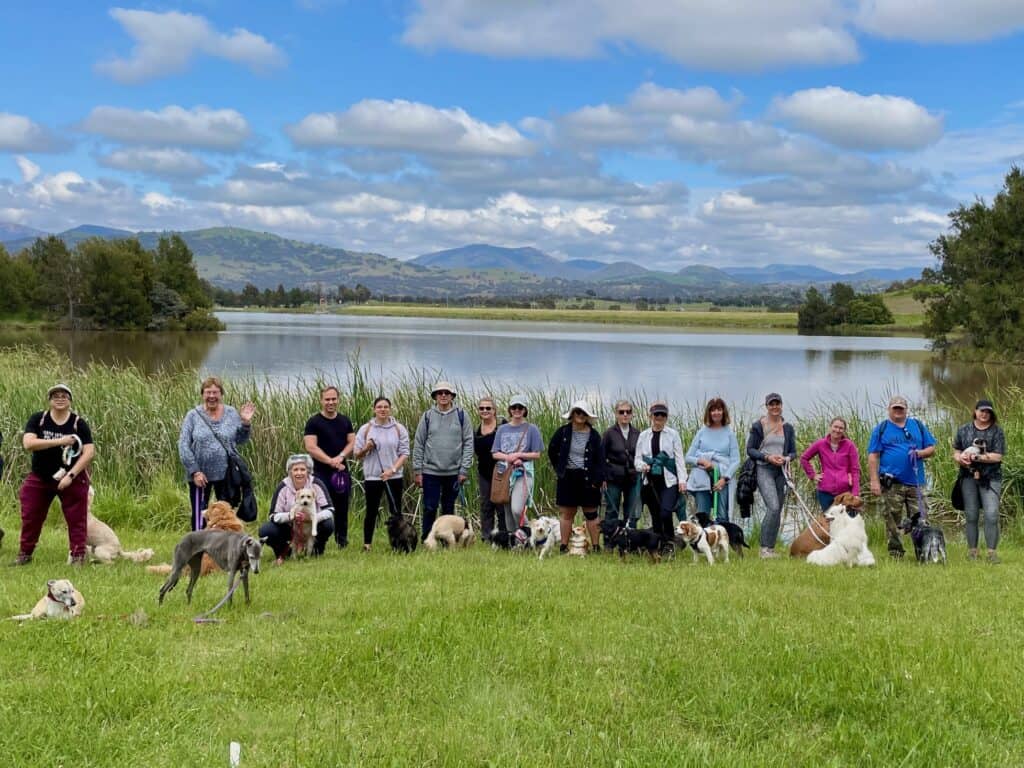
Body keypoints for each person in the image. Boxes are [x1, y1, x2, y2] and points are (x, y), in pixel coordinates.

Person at [14, 384, 95, 565]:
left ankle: (77, 557)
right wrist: (61, 441)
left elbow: (89, 452)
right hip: (41, 476)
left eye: (64, 396)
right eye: (55, 395)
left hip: (71, 477)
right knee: (30, 515)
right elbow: (28, 444)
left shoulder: (78, 423)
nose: (60, 398)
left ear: (70, 401)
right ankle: (24, 554)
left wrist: (71, 476)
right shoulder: (38, 419)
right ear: (49, 400)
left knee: (77, 519)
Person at [178, 376, 255, 531]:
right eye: (208, 392)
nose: (212, 396)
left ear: (221, 394)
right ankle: (199, 550)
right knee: (199, 515)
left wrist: (246, 423)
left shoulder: (232, 413)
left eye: (215, 392)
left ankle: (226, 549)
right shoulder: (193, 415)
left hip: (227, 475)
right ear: (202, 394)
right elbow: (183, 444)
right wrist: (195, 471)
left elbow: (240, 440)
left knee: (226, 515)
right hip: (200, 476)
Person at [867, 394, 936, 559]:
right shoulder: (881, 428)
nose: (898, 411)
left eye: (901, 408)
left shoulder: (917, 426)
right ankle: (896, 553)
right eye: (895, 408)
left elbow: (931, 448)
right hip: (892, 484)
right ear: (889, 410)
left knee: (921, 519)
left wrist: (919, 453)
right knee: (892, 520)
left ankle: (923, 552)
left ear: (906, 410)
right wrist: (874, 480)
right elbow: (873, 456)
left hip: (916, 483)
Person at [412, 381, 474, 542]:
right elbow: (419, 443)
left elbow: (468, 443)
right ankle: (427, 539)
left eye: (447, 393)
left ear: (452, 396)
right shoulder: (427, 416)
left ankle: (448, 541)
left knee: (448, 510)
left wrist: (464, 469)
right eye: (440, 393)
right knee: (430, 507)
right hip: (430, 471)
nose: (443, 396)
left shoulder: (462, 415)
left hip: (454, 472)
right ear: (435, 397)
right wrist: (417, 471)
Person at [354, 397, 410, 551]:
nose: (382, 409)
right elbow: (357, 455)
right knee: (371, 511)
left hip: (394, 476)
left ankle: (399, 544)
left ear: (390, 409)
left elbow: (404, 453)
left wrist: (392, 470)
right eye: (379, 407)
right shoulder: (365, 429)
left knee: (395, 511)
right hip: (373, 477)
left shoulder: (399, 429)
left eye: (386, 407)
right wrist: (367, 447)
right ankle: (367, 544)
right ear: (374, 409)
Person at [953, 399, 1006, 563]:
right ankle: (972, 553)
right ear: (975, 411)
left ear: (991, 414)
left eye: (988, 412)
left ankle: (992, 553)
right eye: (981, 411)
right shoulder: (964, 430)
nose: (984, 414)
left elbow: (998, 456)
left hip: (991, 478)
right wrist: (960, 459)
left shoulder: (997, 432)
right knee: (971, 515)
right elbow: (956, 451)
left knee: (991, 515)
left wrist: (977, 457)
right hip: (968, 477)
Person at [303, 385, 355, 549]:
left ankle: (342, 541)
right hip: (321, 473)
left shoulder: (345, 420)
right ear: (321, 400)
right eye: (327, 399)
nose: (330, 402)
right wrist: (330, 461)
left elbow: (352, 442)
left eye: (333, 399)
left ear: (338, 400)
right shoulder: (313, 422)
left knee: (342, 507)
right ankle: (318, 543)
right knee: (320, 508)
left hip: (341, 472)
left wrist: (340, 457)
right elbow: (310, 447)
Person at [746, 392, 797, 559]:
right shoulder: (758, 426)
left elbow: (793, 452)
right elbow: (750, 450)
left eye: (777, 404)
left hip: (781, 471)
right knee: (773, 507)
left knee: (778, 510)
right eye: (771, 404)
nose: (775, 407)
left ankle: (771, 548)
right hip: (764, 469)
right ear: (766, 406)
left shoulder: (788, 427)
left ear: (781, 405)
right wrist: (767, 457)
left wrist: (786, 458)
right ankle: (764, 548)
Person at [259, 454, 335, 564]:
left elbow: (330, 510)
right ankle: (283, 551)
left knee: (328, 524)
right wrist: (290, 516)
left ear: (308, 471)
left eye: (302, 469)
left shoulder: (316, 484)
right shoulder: (283, 486)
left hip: (311, 527)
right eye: (295, 469)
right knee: (266, 530)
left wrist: (311, 518)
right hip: (289, 528)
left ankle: (317, 549)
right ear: (290, 472)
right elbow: (273, 515)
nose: (299, 473)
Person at [635, 400, 687, 547]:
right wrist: (643, 466)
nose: (659, 417)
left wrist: (682, 480)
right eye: (656, 414)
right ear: (650, 416)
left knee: (665, 512)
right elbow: (637, 460)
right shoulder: (643, 436)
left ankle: (670, 540)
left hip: (669, 481)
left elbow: (679, 459)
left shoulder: (673, 435)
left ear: (666, 417)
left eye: (662, 415)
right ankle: (659, 545)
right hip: (650, 481)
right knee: (656, 516)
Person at [492, 395, 544, 532]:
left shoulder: (532, 429)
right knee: (507, 509)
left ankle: (530, 534)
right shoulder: (502, 429)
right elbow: (495, 453)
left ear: (524, 410)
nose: (517, 410)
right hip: (504, 473)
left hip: (524, 473)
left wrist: (520, 455)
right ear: (510, 410)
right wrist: (510, 458)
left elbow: (537, 454)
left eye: (520, 407)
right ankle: (514, 540)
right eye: (514, 407)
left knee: (517, 509)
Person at [685, 397, 740, 526]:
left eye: (719, 409)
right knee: (703, 515)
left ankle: (722, 541)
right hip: (702, 477)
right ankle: (703, 541)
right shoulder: (701, 432)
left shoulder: (730, 434)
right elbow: (688, 457)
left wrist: (724, 479)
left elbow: (736, 460)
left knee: (722, 515)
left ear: (723, 412)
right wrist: (703, 462)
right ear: (709, 413)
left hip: (722, 477)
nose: (716, 413)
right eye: (713, 410)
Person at [800, 417, 861, 510]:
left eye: (841, 428)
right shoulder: (820, 444)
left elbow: (855, 470)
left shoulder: (850, 446)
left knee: (847, 521)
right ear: (830, 427)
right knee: (829, 521)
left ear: (844, 430)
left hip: (845, 493)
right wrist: (813, 475)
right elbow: (804, 458)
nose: (837, 430)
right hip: (825, 492)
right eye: (835, 427)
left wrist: (855, 493)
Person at [601, 400, 640, 530]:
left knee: (631, 511)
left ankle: (631, 541)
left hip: (633, 477)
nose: (625, 415)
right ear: (616, 414)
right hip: (613, 477)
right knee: (612, 509)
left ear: (632, 414)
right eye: (621, 412)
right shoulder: (609, 433)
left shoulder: (637, 433)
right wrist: (603, 478)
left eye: (628, 412)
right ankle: (609, 541)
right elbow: (601, 457)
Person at [473, 397, 507, 541]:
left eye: (488, 408)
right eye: (482, 408)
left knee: (501, 505)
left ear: (494, 411)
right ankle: (487, 537)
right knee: (486, 505)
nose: (485, 411)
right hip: (484, 472)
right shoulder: (476, 430)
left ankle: (503, 535)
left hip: (501, 471)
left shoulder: (503, 427)